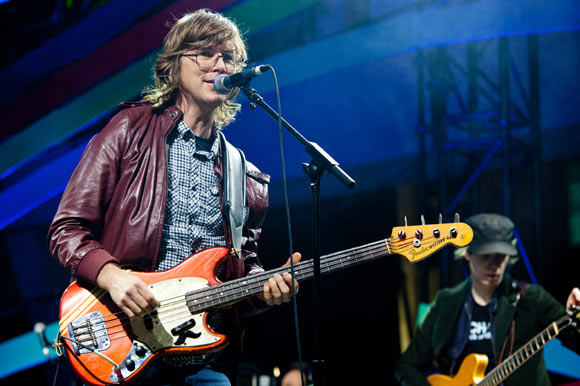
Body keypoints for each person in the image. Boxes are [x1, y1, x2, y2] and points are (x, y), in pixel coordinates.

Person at [48, 9, 300, 386]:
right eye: (205, 53)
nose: (219, 64)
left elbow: (240, 273)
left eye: (228, 57)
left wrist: (265, 288)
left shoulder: (241, 173)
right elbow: (67, 229)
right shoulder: (129, 130)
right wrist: (113, 277)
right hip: (124, 347)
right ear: (174, 65)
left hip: (203, 363)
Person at [395, 213, 580, 386]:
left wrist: (577, 317)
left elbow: (574, 338)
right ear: (467, 253)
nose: (494, 265)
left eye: (500, 257)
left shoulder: (530, 298)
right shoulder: (446, 303)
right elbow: (407, 366)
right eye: (485, 256)